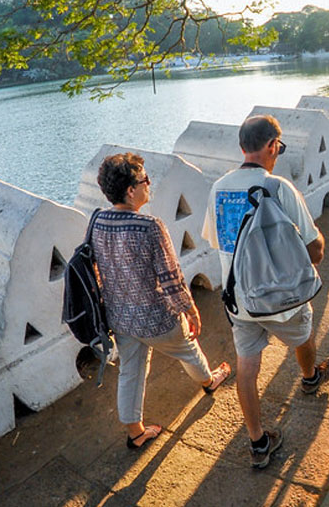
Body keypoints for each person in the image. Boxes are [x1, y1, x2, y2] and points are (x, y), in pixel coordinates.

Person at [203, 115, 329, 469]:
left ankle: (258, 442)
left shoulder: (218, 188)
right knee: (304, 333)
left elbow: (217, 241)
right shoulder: (278, 188)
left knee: (246, 369)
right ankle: (310, 378)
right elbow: (316, 249)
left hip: (240, 300)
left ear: (241, 147)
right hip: (280, 299)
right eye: (279, 146)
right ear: (271, 146)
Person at [93, 153, 233, 451]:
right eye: (144, 180)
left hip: (120, 317)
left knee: (131, 371)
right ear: (131, 190)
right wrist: (190, 310)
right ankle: (209, 381)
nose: (149, 184)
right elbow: (171, 278)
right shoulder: (149, 226)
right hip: (157, 319)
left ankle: (136, 432)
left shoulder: (98, 220)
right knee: (189, 349)